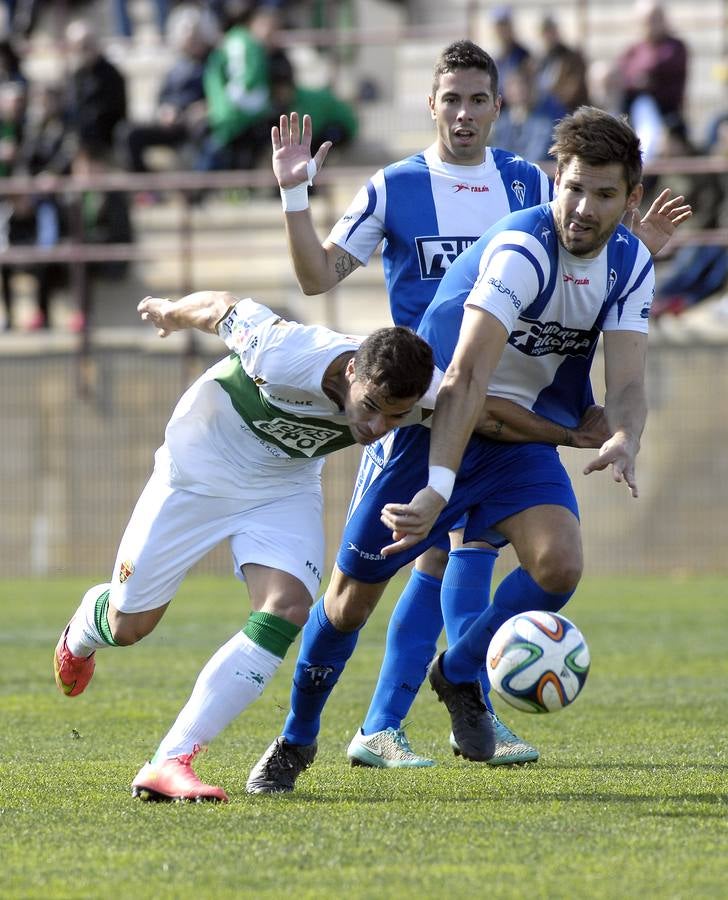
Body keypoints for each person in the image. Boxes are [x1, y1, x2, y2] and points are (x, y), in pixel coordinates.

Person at [263, 39, 687, 774]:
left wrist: (625, 434)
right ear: (431, 103)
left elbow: (626, 382)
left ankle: (456, 681)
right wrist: (436, 487)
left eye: (604, 195)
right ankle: (299, 738)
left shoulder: (543, 196)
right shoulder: (497, 236)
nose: (582, 209)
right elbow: (460, 379)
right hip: (428, 418)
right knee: (347, 604)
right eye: (575, 189)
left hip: (515, 435)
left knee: (557, 565)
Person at [270, 38, 552, 769]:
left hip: (500, 409)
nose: (464, 114)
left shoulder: (529, 186)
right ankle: (340, 730)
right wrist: (295, 195)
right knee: (358, 594)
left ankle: (456, 720)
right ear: (431, 104)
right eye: (451, 99)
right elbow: (316, 278)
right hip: (418, 414)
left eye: (478, 99)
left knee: (478, 556)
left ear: (499, 106)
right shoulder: (395, 185)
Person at [52, 289, 437, 801]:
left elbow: (483, 407)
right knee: (130, 626)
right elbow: (222, 309)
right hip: (197, 469)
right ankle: (83, 629)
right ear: (350, 373)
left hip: (284, 486)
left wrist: (567, 430)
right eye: (370, 408)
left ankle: (172, 759)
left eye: (394, 417)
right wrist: (171, 313)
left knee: (289, 607)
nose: (375, 427)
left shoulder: (420, 398)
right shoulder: (285, 351)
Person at [120, 3, 216, 177]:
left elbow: (218, 96)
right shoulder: (176, 68)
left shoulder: (213, 64)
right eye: (187, 35)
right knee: (128, 133)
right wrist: (164, 111)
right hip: (171, 123)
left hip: (196, 122)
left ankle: (197, 187)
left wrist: (203, 108)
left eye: (195, 35)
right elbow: (162, 97)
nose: (191, 40)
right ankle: (146, 185)